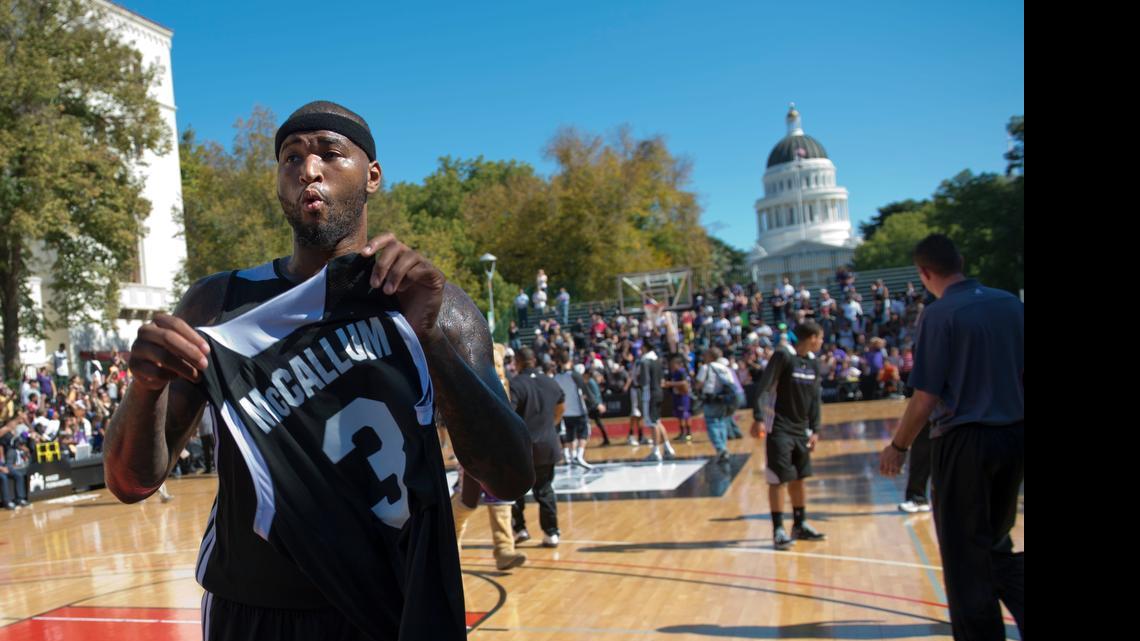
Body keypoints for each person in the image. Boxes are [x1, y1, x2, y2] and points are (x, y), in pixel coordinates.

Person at [104, 100, 534, 641]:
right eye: (291, 158)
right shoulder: (221, 303)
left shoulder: (436, 305)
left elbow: (513, 476)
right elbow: (129, 483)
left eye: (330, 153)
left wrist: (429, 340)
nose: (308, 169)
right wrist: (144, 390)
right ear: (279, 181)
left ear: (372, 175)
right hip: (256, 608)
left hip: (399, 602)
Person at [878, 234, 1024, 640]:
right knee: (995, 544)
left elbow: (925, 397)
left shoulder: (940, 315)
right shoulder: (1011, 304)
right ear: (961, 260)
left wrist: (898, 446)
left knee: (964, 557)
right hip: (1013, 437)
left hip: (964, 444)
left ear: (924, 273)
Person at [750, 320, 827, 551]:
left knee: (799, 478)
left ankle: (800, 524)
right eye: (820, 337)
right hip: (779, 428)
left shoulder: (813, 363)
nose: (822, 342)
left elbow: (815, 398)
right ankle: (778, 530)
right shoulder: (783, 356)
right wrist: (758, 417)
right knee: (778, 479)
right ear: (812, 337)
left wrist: (816, 428)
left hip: (801, 429)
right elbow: (764, 387)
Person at [451, 344, 528, 571]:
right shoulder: (466, 386)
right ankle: (448, 540)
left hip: (497, 451)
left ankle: (505, 550)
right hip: (472, 452)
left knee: (500, 499)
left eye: (498, 363)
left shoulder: (503, 386)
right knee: (467, 500)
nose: (496, 367)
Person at [509, 347, 566, 548]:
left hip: (523, 449)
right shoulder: (550, 382)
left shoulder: (516, 384)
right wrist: (552, 424)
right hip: (548, 445)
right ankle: (551, 533)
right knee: (545, 490)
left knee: (515, 491)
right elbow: (561, 405)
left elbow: (509, 414)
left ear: (518, 361)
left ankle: (520, 529)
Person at [638, 346, 675, 462]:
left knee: (652, 423)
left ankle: (656, 451)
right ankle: (668, 448)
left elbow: (644, 380)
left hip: (650, 394)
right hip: (659, 392)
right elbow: (662, 381)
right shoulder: (658, 361)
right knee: (658, 421)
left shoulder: (645, 361)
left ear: (645, 349)